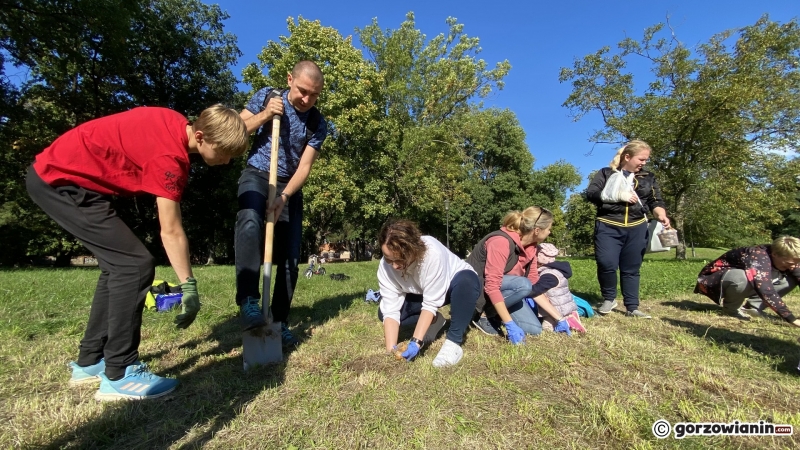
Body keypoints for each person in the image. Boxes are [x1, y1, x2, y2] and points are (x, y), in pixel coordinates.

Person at [26, 104, 249, 401]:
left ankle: (90, 361)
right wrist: (189, 286)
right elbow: (170, 230)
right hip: (61, 181)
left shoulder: (172, 120)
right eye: (224, 153)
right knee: (135, 265)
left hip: (69, 179)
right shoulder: (170, 159)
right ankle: (120, 372)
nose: (227, 161)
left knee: (118, 266)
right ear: (200, 136)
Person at [234, 61, 328, 346]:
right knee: (250, 220)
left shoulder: (318, 123)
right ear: (290, 79)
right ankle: (249, 300)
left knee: (289, 256)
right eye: (302, 91)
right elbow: (236, 132)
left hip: (290, 185)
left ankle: (279, 320)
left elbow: (304, 168)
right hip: (256, 173)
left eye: (314, 95)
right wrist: (265, 115)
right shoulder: (266, 96)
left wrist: (284, 196)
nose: (306, 99)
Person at [377, 219, 481, 367]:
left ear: (413, 249)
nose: (394, 266)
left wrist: (416, 342)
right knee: (382, 312)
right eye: (388, 258)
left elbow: (430, 303)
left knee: (467, 281)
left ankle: (453, 343)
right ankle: (435, 321)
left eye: (400, 260)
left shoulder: (432, 254)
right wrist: (391, 351)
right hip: (419, 292)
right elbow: (391, 310)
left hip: (452, 286)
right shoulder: (385, 268)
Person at [585, 140, 670, 318]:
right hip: (608, 225)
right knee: (606, 263)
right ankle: (609, 298)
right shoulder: (606, 173)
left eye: (646, 160)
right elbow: (592, 194)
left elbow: (656, 201)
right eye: (642, 159)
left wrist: (661, 214)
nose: (644, 163)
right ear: (627, 157)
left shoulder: (648, 177)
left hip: (637, 227)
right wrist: (619, 196)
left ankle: (632, 307)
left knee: (631, 268)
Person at [466, 207, 572, 343]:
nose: (550, 232)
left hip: (500, 291)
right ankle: (484, 315)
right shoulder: (501, 242)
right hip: (477, 290)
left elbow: (534, 284)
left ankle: (497, 314)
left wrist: (559, 318)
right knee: (523, 285)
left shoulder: (532, 248)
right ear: (537, 230)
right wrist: (509, 324)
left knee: (534, 329)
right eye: (549, 228)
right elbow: (492, 285)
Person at [694, 236, 800, 325]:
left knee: (791, 279)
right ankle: (731, 310)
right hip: (714, 281)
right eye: (790, 263)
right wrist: (791, 319)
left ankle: (753, 307)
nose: (794, 266)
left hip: (753, 283)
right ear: (775, 254)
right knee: (741, 277)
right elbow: (766, 290)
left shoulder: (790, 258)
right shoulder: (758, 256)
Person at [535, 243, 586, 333]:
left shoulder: (549, 275)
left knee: (547, 328)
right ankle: (570, 316)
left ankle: (569, 321)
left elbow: (537, 290)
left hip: (557, 309)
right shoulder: (555, 270)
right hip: (562, 305)